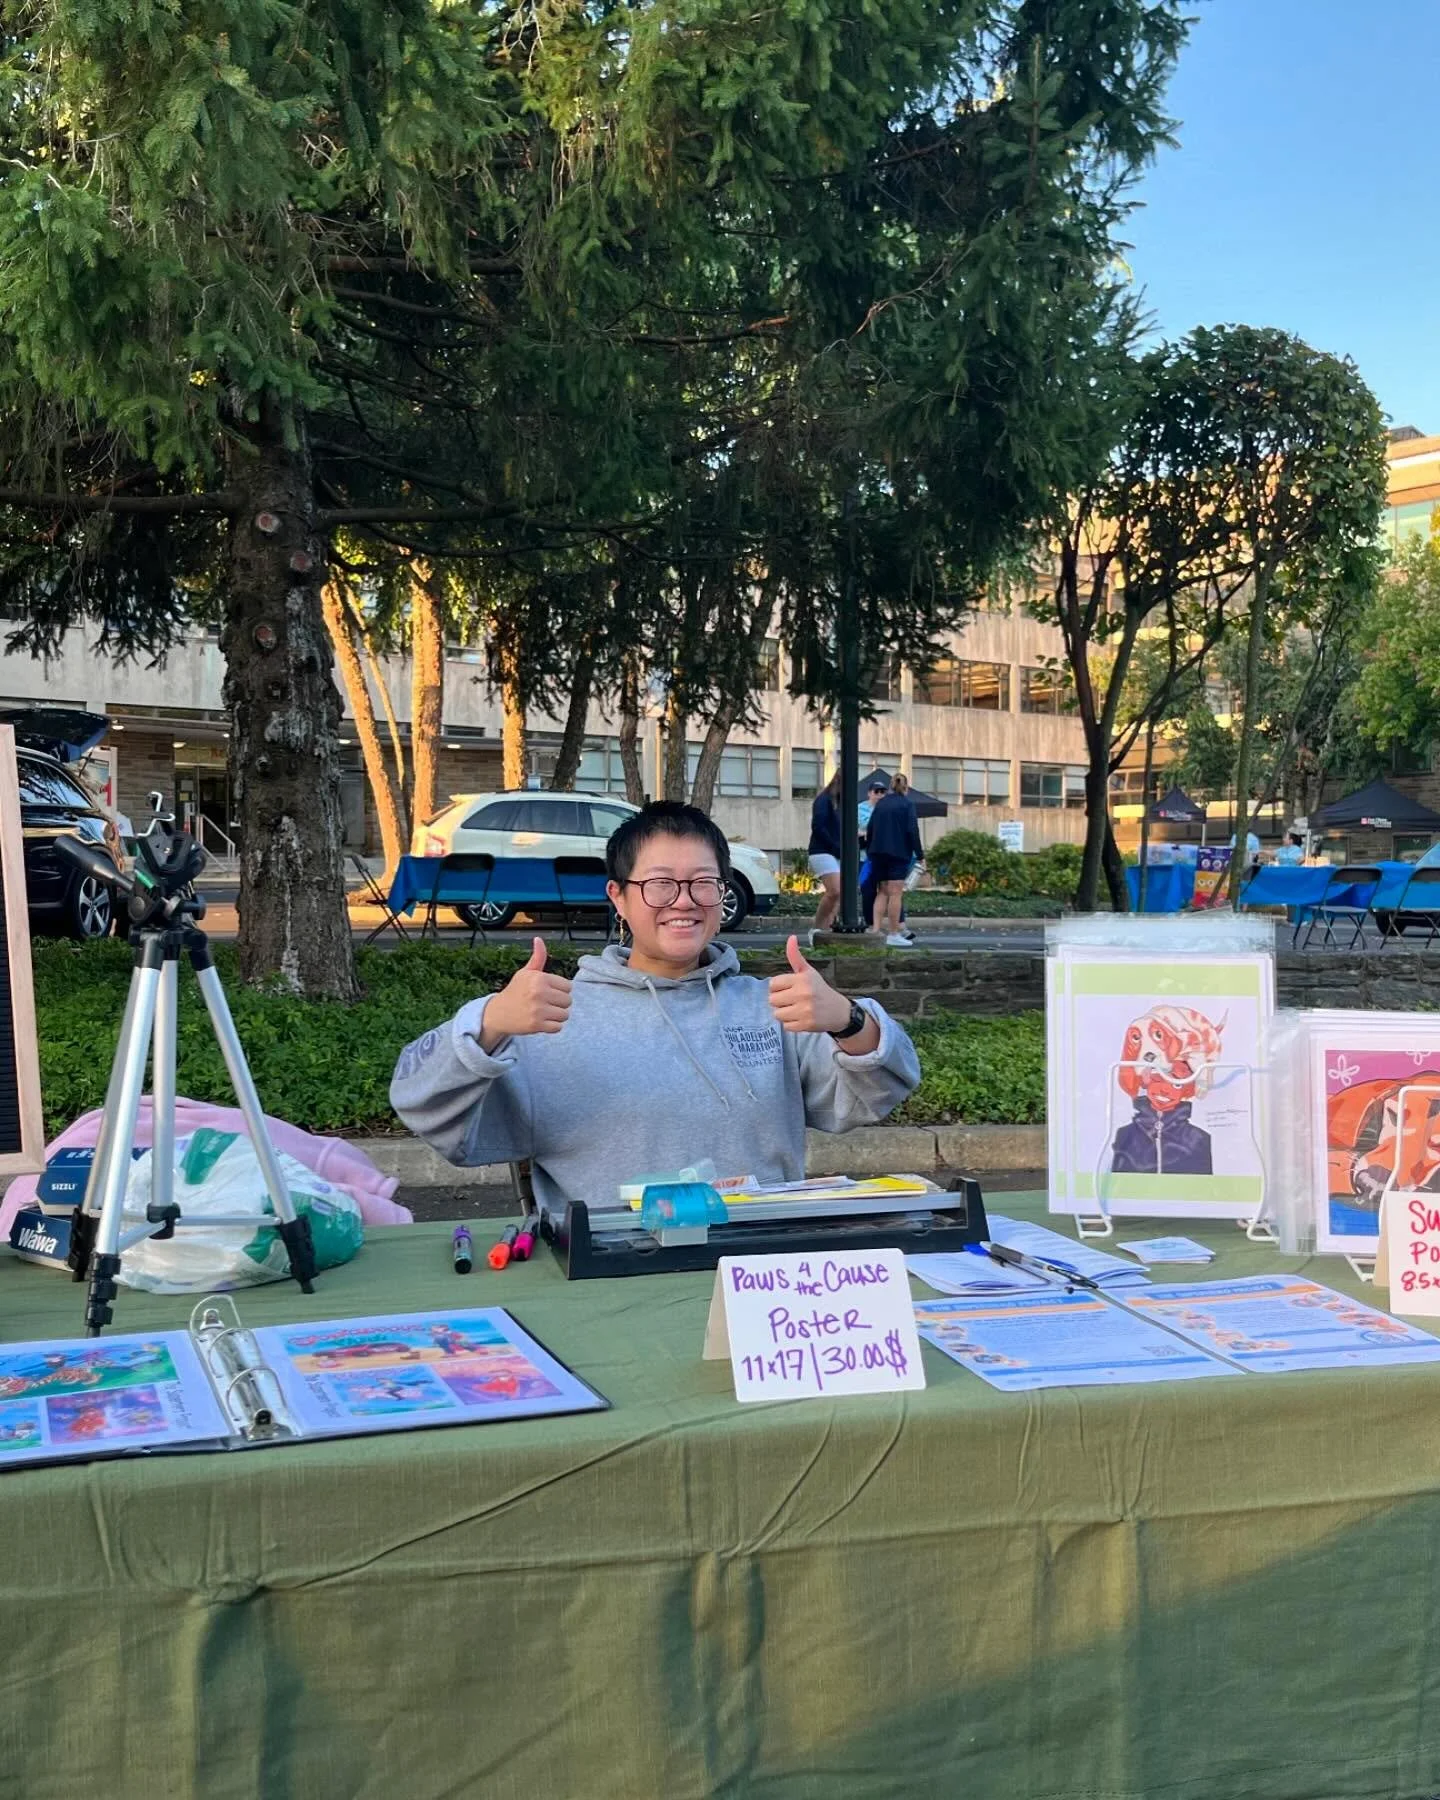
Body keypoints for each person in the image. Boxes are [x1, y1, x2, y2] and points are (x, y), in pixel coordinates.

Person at [390, 801, 921, 1222]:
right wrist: (487, 1024)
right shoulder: (547, 1014)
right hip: (605, 1272)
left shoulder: (773, 1006)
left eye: (702, 882)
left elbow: (878, 1094)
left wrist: (847, 1019)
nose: (684, 900)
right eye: (660, 883)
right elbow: (425, 1109)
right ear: (618, 897)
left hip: (761, 1268)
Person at [866, 780, 922, 947]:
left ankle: (875, 930)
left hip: (878, 853)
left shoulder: (881, 803)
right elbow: (912, 830)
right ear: (906, 788)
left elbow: (870, 828)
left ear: (890, 787)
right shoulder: (907, 804)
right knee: (895, 893)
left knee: (882, 891)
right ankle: (893, 933)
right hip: (898, 853)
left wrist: (871, 850)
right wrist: (920, 854)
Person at [807, 770, 843, 932]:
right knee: (834, 891)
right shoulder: (824, 800)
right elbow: (818, 827)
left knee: (839, 894)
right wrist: (835, 846)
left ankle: (827, 929)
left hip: (837, 852)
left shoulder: (840, 802)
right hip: (822, 851)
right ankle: (817, 928)